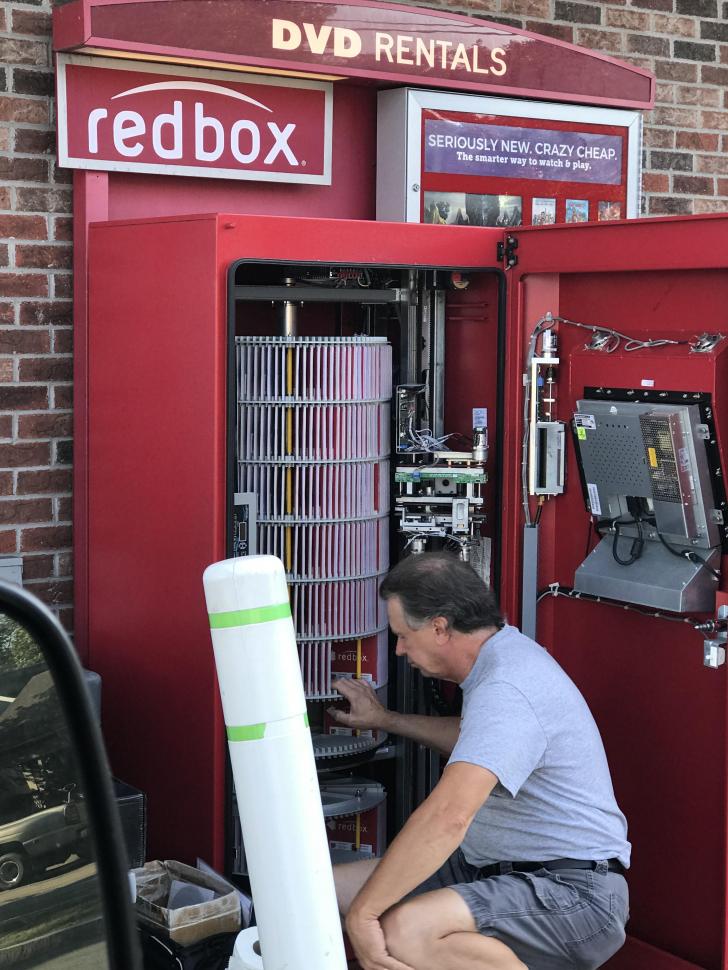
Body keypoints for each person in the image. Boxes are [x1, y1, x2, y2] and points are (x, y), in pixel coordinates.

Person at [329, 552, 630, 970]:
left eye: (402, 635)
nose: (398, 650)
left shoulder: (507, 686)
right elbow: (477, 741)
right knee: (321, 891)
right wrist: (385, 719)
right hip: (487, 867)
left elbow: (449, 817)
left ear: (439, 627)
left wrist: (364, 916)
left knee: (404, 932)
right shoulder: (498, 660)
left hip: (570, 892)